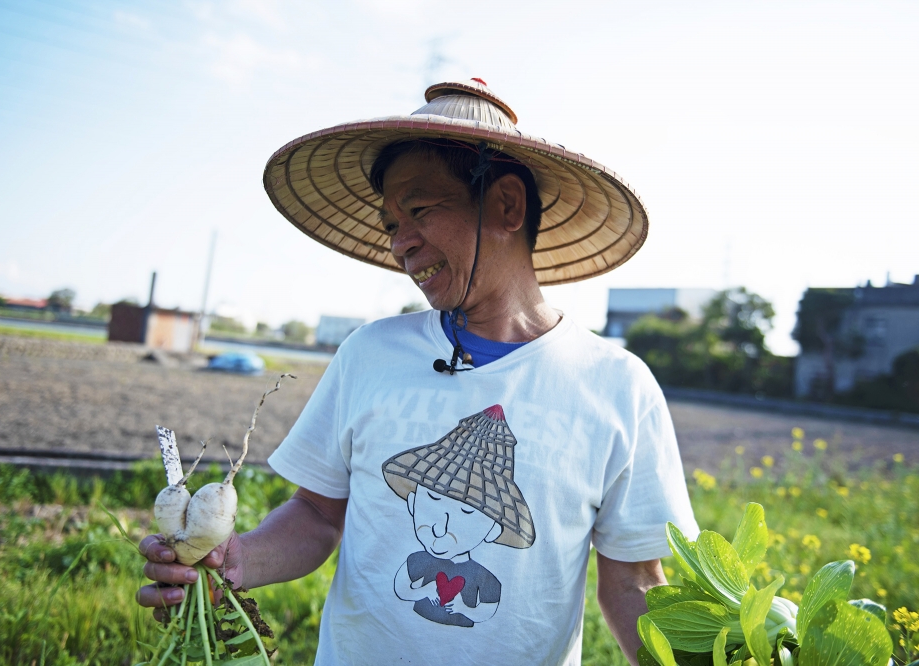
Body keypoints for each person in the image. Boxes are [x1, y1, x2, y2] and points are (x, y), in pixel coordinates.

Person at [136, 78, 699, 665]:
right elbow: (318, 515)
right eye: (390, 224)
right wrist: (238, 558)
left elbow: (632, 581)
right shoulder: (369, 354)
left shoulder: (615, 385)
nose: (400, 244)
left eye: (422, 210)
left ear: (507, 204)